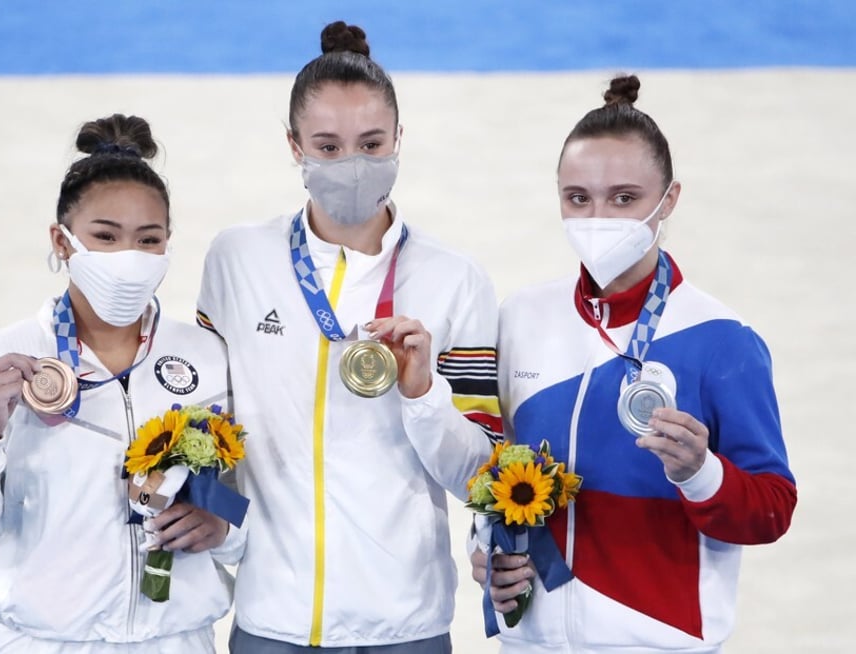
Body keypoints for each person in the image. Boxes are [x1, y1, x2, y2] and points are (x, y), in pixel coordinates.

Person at [196, 21, 502, 654]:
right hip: (271, 621)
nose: (352, 165)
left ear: (398, 141)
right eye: (328, 147)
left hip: (406, 625)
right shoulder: (237, 260)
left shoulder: (454, 281)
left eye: (370, 143)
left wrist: (421, 394)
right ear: (294, 145)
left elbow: (481, 477)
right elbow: (208, 428)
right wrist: (227, 538)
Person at [473, 75, 797, 653]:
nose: (599, 217)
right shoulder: (520, 318)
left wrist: (700, 472)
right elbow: (497, 469)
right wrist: (491, 553)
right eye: (579, 198)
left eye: (625, 198)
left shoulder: (721, 340)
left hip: (659, 642)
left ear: (669, 199)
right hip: (534, 644)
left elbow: (772, 510)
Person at [0, 114, 243, 653]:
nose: (128, 258)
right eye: (106, 236)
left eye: (148, 239)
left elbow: (247, 501)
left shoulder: (206, 359)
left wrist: (224, 526)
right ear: (63, 241)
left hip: (178, 642)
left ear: (167, 246)